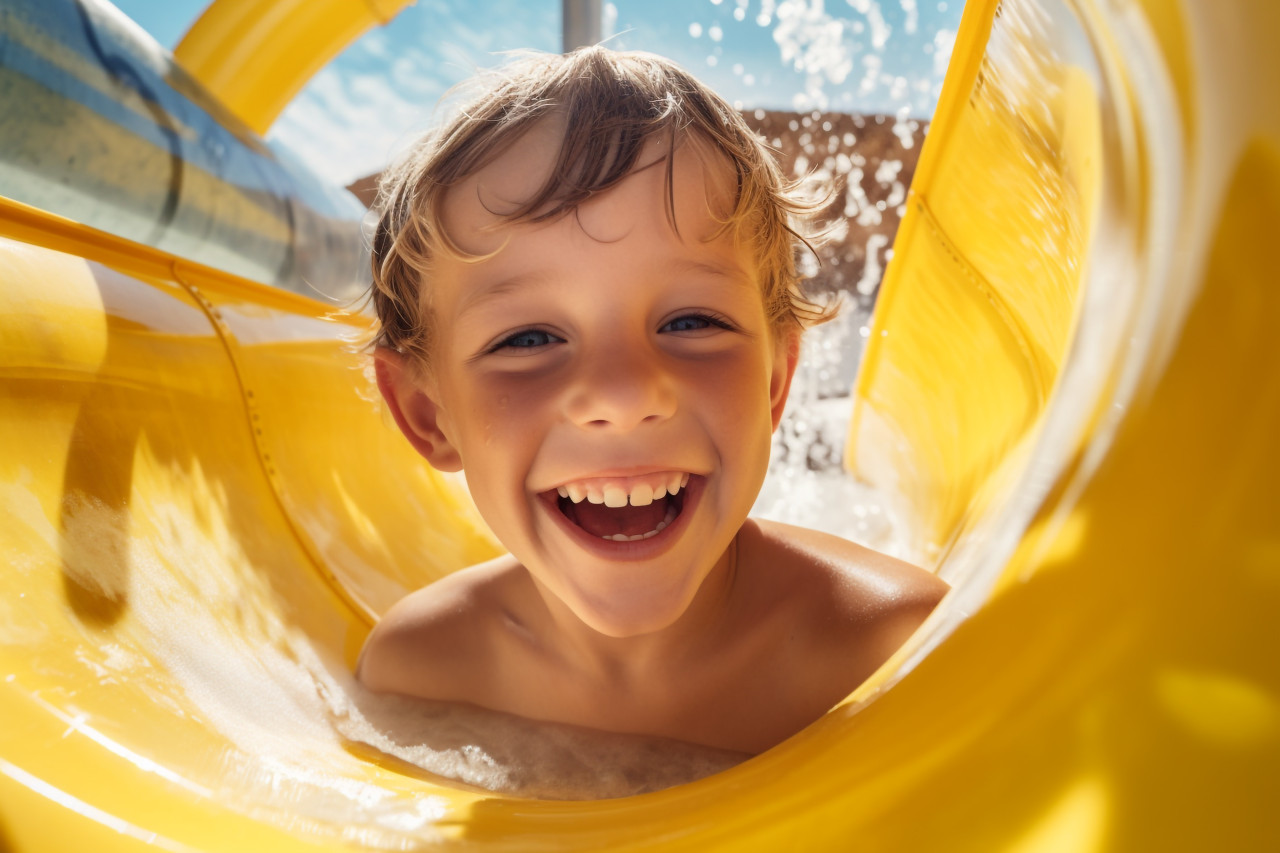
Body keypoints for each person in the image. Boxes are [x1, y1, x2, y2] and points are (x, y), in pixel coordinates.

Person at [357, 47, 948, 756]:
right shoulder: (425, 672)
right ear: (428, 414)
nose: (625, 394)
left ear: (774, 381)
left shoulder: (897, 653)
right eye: (530, 337)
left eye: (692, 323)